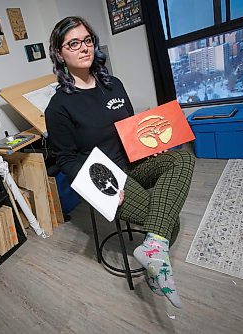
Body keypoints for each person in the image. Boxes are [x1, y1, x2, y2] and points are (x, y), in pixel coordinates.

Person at [45, 16, 195, 308]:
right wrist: (104, 187)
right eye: (73, 43)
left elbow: (130, 127)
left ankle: (153, 249)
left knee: (181, 157)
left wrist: (148, 147)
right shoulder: (58, 107)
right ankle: (156, 261)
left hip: (134, 163)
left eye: (87, 40)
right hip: (109, 177)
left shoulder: (113, 84)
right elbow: (66, 160)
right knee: (170, 225)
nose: (84, 48)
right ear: (60, 53)